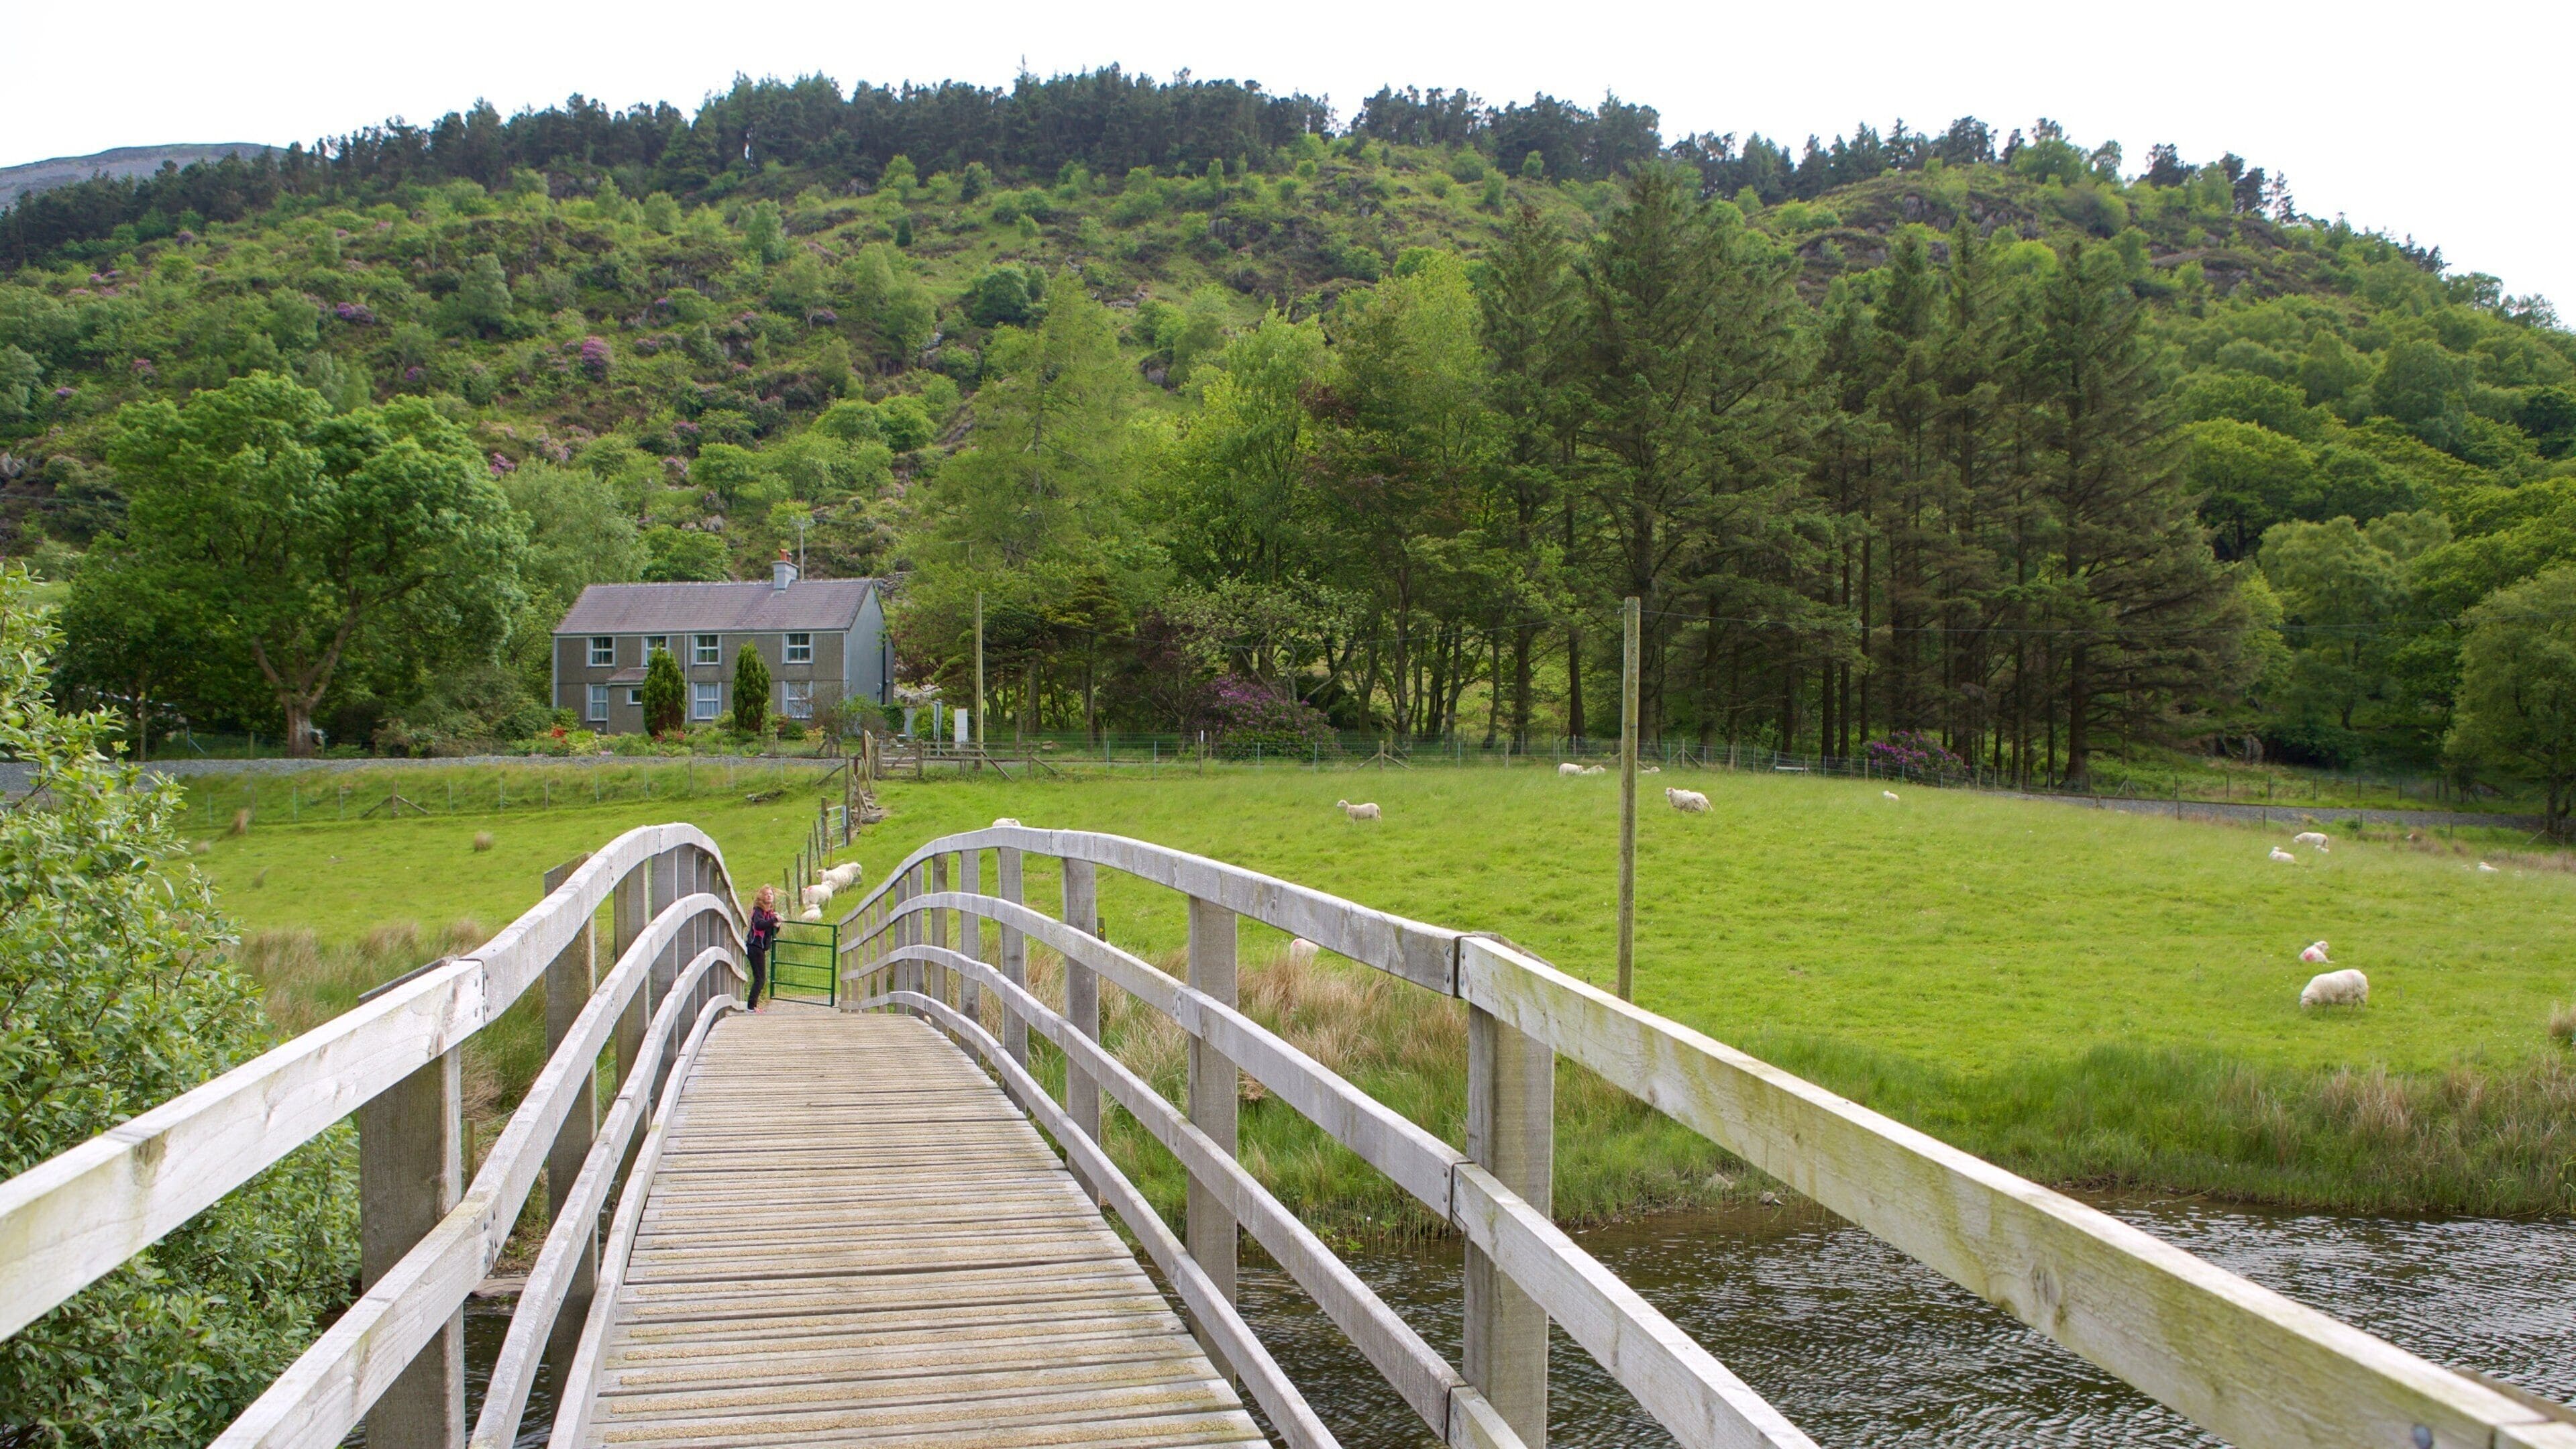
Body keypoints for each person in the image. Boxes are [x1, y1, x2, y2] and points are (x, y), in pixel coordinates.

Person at [745, 885, 781, 1012]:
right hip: (755, 946)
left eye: (771, 894)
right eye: (766, 894)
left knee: (760, 978)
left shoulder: (769, 913)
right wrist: (774, 920)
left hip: (760, 948)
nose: (769, 896)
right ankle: (751, 1006)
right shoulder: (758, 911)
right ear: (761, 897)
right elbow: (760, 926)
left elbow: (770, 932)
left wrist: (777, 925)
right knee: (760, 978)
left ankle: (752, 1006)